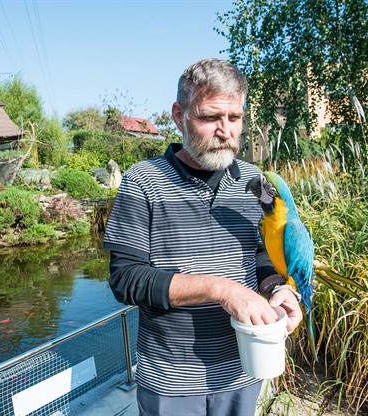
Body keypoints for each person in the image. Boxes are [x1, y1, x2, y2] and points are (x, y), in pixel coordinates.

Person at [103, 58, 303, 416]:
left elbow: (261, 254)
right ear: (179, 116)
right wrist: (221, 289)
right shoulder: (142, 181)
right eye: (210, 117)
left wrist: (277, 287)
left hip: (245, 369)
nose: (225, 130)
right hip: (171, 382)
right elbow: (125, 279)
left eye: (235, 117)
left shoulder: (255, 182)